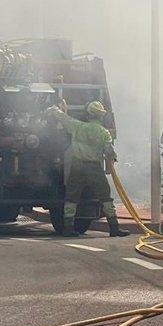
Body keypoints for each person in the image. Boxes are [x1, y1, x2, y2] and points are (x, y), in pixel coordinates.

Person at [48, 100, 129, 238]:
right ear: (100, 116)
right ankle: (114, 227)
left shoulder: (78, 127)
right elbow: (109, 152)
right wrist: (110, 165)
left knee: (72, 198)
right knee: (105, 197)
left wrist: (54, 109)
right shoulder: (104, 133)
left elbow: (63, 118)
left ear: (87, 114)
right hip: (94, 168)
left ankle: (68, 228)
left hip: (77, 166)